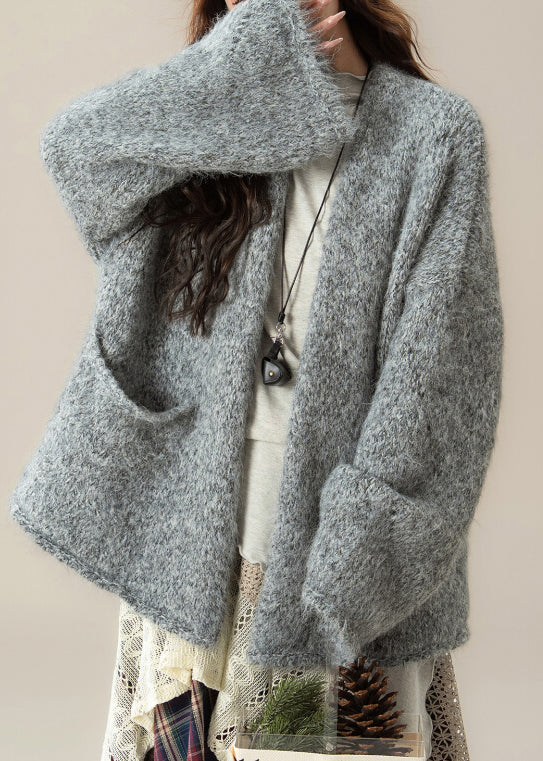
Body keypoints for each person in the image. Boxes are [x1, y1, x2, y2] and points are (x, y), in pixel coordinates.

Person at [9, 1, 504, 760]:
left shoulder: (430, 134)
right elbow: (75, 149)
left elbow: (442, 373)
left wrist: (353, 573)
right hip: (190, 563)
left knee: (316, 747)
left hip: (335, 571)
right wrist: (234, 71)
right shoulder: (207, 120)